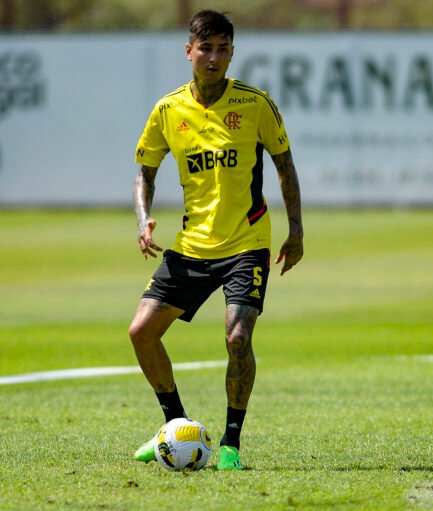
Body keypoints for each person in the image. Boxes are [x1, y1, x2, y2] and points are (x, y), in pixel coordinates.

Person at [128, 9, 303, 471]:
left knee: (238, 337)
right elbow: (144, 172)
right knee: (141, 333)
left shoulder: (255, 104)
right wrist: (144, 218)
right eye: (206, 48)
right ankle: (176, 428)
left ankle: (230, 445)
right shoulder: (169, 110)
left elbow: (285, 166)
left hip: (247, 242)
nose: (214, 57)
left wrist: (297, 231)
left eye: (223, 49)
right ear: (189, 51)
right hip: (191, 246)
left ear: (232, 53)